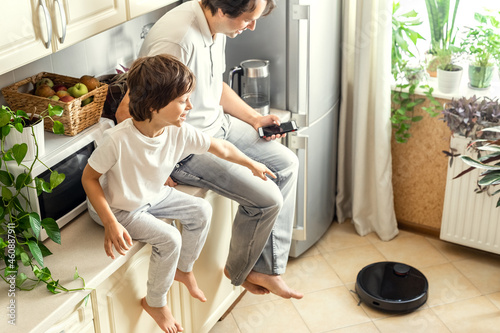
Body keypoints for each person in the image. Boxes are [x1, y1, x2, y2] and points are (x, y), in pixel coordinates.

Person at [116, 0, 302, 299]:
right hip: (184, 148)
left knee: (287, 164)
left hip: (218, 127)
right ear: (223, 7)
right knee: (267, 200)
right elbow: (127, 112)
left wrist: (254, 119)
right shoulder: (176, 40)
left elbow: (214, 88)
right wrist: (153, 164)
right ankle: (240, 270)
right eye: (247, 18)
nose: (252, 26)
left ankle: (265, 269)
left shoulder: (217, 27)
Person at [82, 54, 276, 332]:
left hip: (151, 194)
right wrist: (111, 222)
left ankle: (183, 270)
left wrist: (251, 163)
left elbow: (220, 147)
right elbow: (89, 179)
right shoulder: (118, 140)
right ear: (153, 106)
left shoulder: (177, 130)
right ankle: (156, 303)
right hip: (118, 207)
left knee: (201, 210)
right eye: (183, 100)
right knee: (170, 238)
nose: (190, 106)